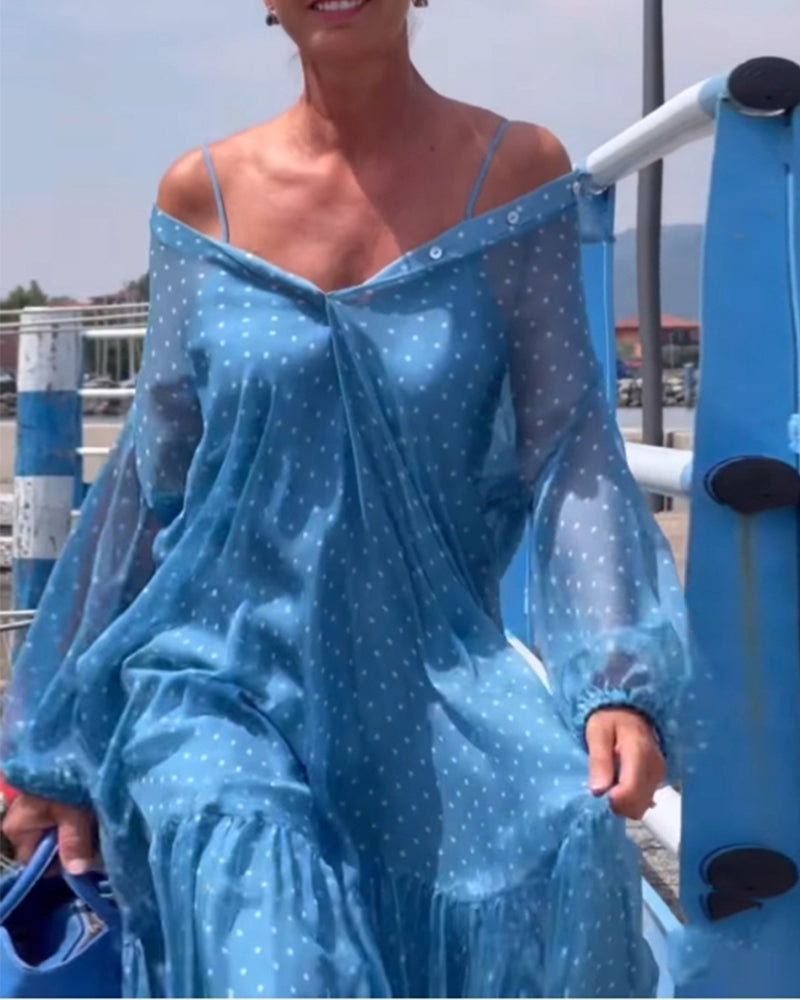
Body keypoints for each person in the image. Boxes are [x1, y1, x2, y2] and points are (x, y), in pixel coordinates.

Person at [2, 1, 690, 996]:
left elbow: (569, 449)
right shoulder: (201, 197)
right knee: (269, 939)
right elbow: (150, 482)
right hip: (212, 677)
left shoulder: (515, 173)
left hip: (430, 678)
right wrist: (53, 746)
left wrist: (615, 678)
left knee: (558, 829)